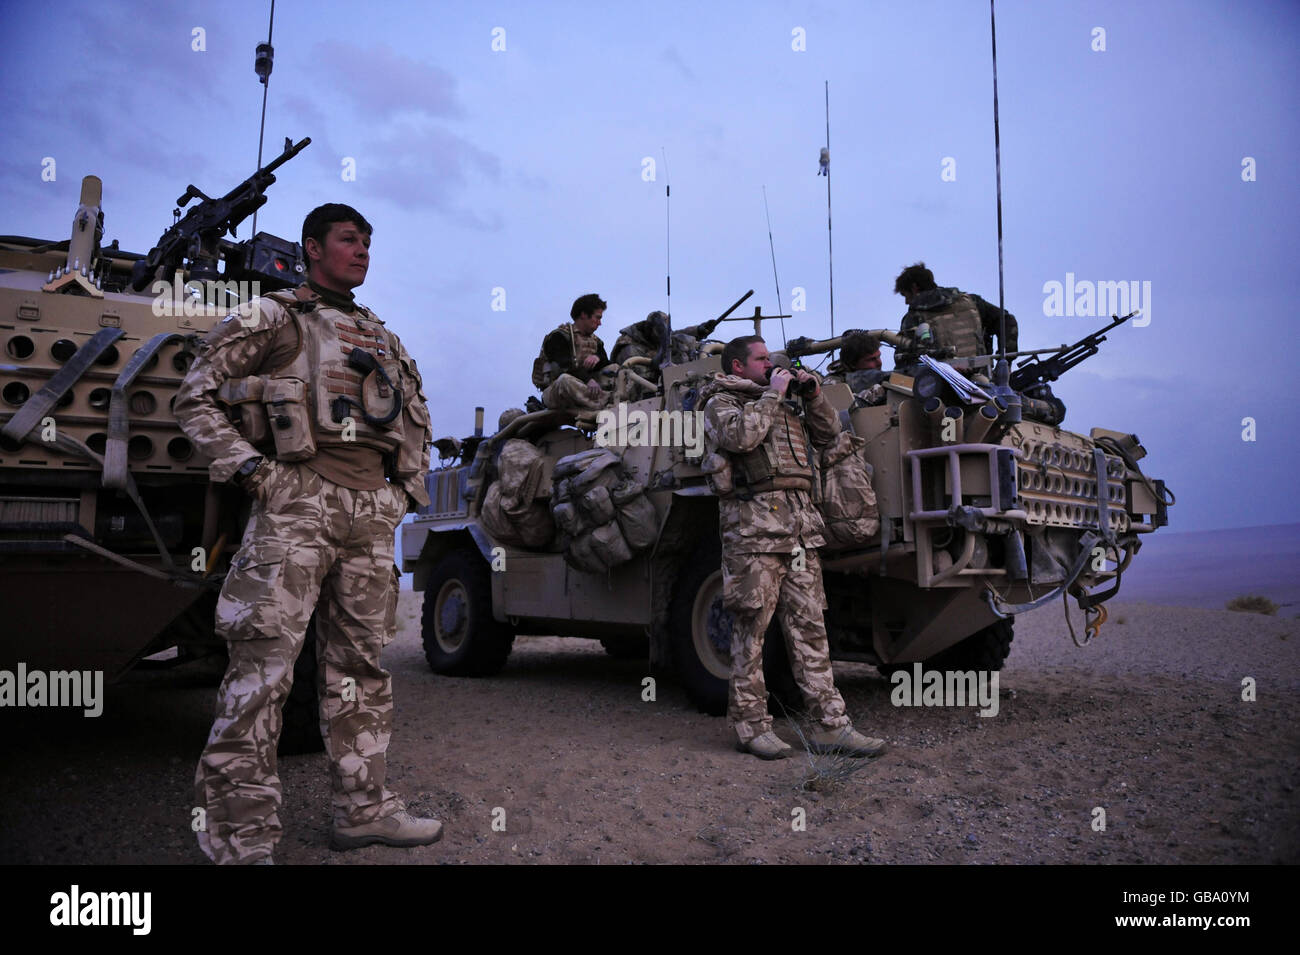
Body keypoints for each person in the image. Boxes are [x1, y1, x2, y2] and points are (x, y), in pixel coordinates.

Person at [174, 203, 438, 864]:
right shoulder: (275, 315)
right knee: (262, 672)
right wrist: (256, 474)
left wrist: (402, 494)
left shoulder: (382, 335)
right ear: (312, 247)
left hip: (368, 516)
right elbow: (195, 394)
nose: (363, 252)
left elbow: (413, 418)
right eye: (349, 240)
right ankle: (242, 838)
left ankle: (364, 809)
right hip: (297, 505)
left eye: (369, 242)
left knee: (361, 671)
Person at [700, 335, 887, 760]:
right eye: (762, 359)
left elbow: (829, 434)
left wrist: (814, 395)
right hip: (754, 534)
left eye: (771, 359)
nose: (771, 365)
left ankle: (832, 724)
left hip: (800, 530)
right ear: (736, 367)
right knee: (752, 630)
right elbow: (740, 438)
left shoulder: (786, 403)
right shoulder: (720, 403)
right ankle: (751, 727)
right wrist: (773, 395)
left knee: (810, 627)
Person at [892, 262, 1018, 374]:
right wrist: (1005, 362)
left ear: (914, 288)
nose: (906, 302)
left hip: (941, 388)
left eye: (905, 295)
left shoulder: (913, 317)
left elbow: (903, 360)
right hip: (983, 385)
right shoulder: (972, 303)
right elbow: (1007, 321)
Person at [533, 293, 612, 412]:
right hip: (557, 391)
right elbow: (562, 367)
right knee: (565, 380)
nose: (600, 323)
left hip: (587, 387)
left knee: (616, 369)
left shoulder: (596, 342)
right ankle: (603, 404)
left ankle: (613, 399)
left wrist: (597, 357)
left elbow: (607, 365)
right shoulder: (559, 336)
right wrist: (588, 381)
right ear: (584, 314)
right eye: (597, 317)